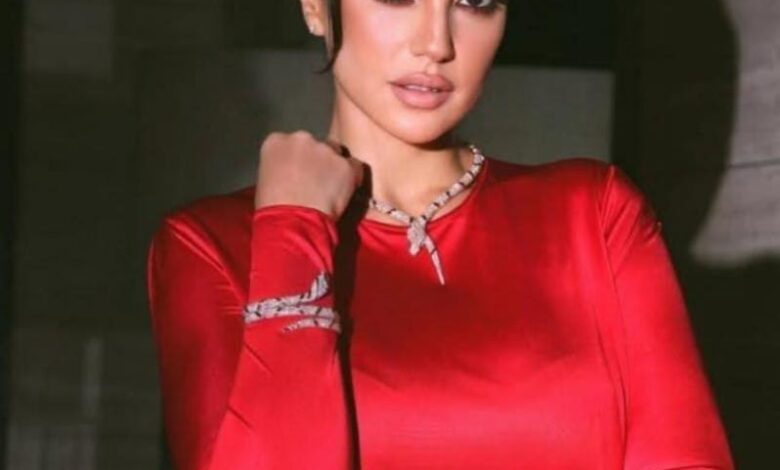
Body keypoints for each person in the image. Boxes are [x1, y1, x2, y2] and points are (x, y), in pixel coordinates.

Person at [146, 0, 735, 468]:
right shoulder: (212, 246)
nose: (436, 43)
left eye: (474, 2)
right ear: (317, 7)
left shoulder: (595, 215)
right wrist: (293, 233)